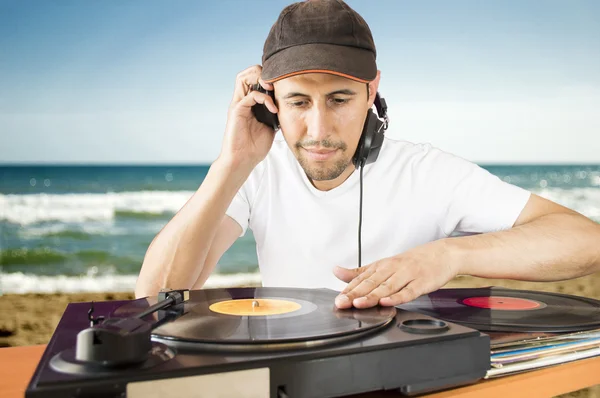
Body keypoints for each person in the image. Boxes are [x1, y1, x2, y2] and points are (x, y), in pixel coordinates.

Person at [135, 0, 600, 309]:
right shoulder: (254, 172)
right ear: (269, 99)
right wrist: (231, 163)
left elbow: (586, 242)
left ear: (372, 90)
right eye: (298, 102)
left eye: (339, 100)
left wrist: (447, 256)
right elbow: (152, 298)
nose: (319, 131)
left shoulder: (427, 171)